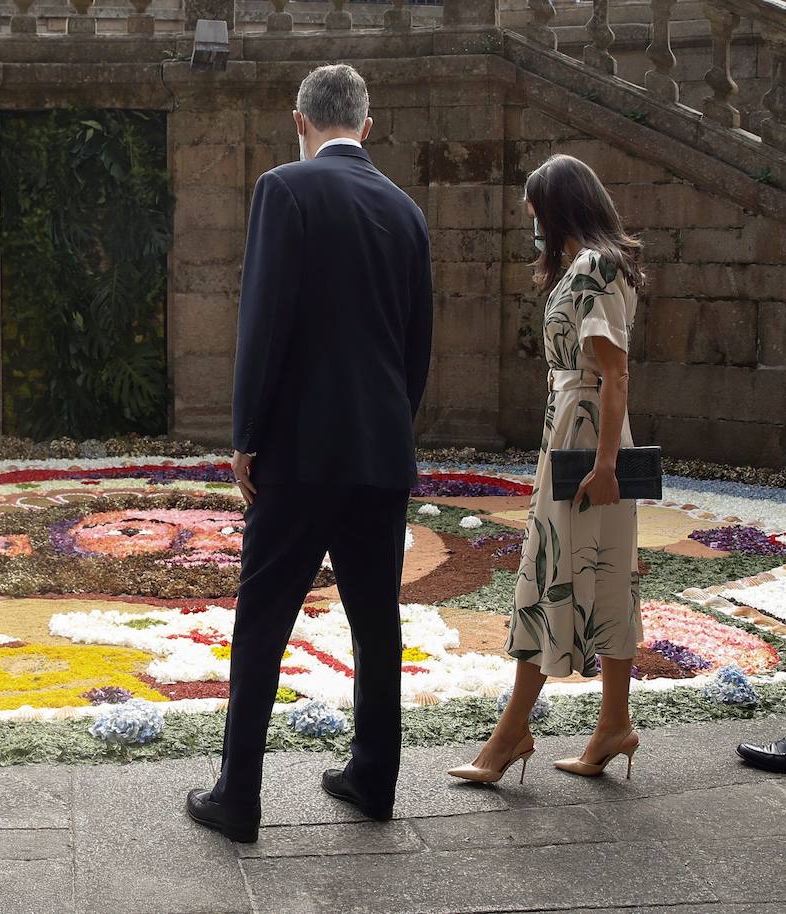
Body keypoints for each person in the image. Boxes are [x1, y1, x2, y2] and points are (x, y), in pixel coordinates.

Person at [185, 63, 433, 841]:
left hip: (297, 450)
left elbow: (264, 323)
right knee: (375, 620)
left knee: (262, 618)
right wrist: (391, 424)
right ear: (367, 124)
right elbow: (417, 345)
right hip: (380, 449)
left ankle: (240, 795)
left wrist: (246, 437)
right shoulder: (407, 211)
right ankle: (373, 777)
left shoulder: (283, 190)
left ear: (301, 122)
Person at [449, 153, 645, 786]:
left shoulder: (593, 268)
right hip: (580, 432)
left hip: (585, 438)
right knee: (608, 573)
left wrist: (607, 463)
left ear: (559, 207)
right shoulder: (599, 265)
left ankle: (510, 735)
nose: (532, 225)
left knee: (548, 574)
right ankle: (612, 723)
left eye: (536, 212)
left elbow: (613, 373)